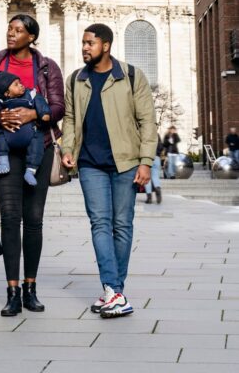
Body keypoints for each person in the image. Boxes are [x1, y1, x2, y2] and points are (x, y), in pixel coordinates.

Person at [61, 23, 157, 319]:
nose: (84, 48)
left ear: (106, 45)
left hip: (126, 162)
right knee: (100, 224)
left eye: (90, 43)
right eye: (83, 43)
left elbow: (147, 120)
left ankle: (114, 291)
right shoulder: (76, 79)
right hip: (90, 164)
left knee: (122, 225)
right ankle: (113, 289)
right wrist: (67, 148)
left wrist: (146, 161)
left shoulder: (130, 76)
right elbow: (70, 117)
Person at [0, 14, 65, 317]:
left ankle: (30, 287)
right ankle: (12, 290)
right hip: (3, 149)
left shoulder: (46, 66)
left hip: (38, 149)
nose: (11, 33)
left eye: (19, 30)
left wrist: (34, 116)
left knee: (33, 219)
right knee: (9, 216)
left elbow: (58, 106)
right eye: (10, 29)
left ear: (31, 37)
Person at [0, 72, 51, 183]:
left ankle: (31, 171)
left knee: (37, 142)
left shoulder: (31, 94)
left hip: (30, 132)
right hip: (7, 134)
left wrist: (43, 113)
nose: (21, 85)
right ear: (7, 93)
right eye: (16, 84)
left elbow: (40, 101)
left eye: (20, 82)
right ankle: (4, 163)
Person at [145, 135, 164, 204]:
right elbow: (161, 147)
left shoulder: (145, 133)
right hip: (156, 158)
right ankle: (157, 189)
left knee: (147, 178)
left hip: (147, 158)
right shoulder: (157, 135)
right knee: (155, 177)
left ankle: (149, 198)